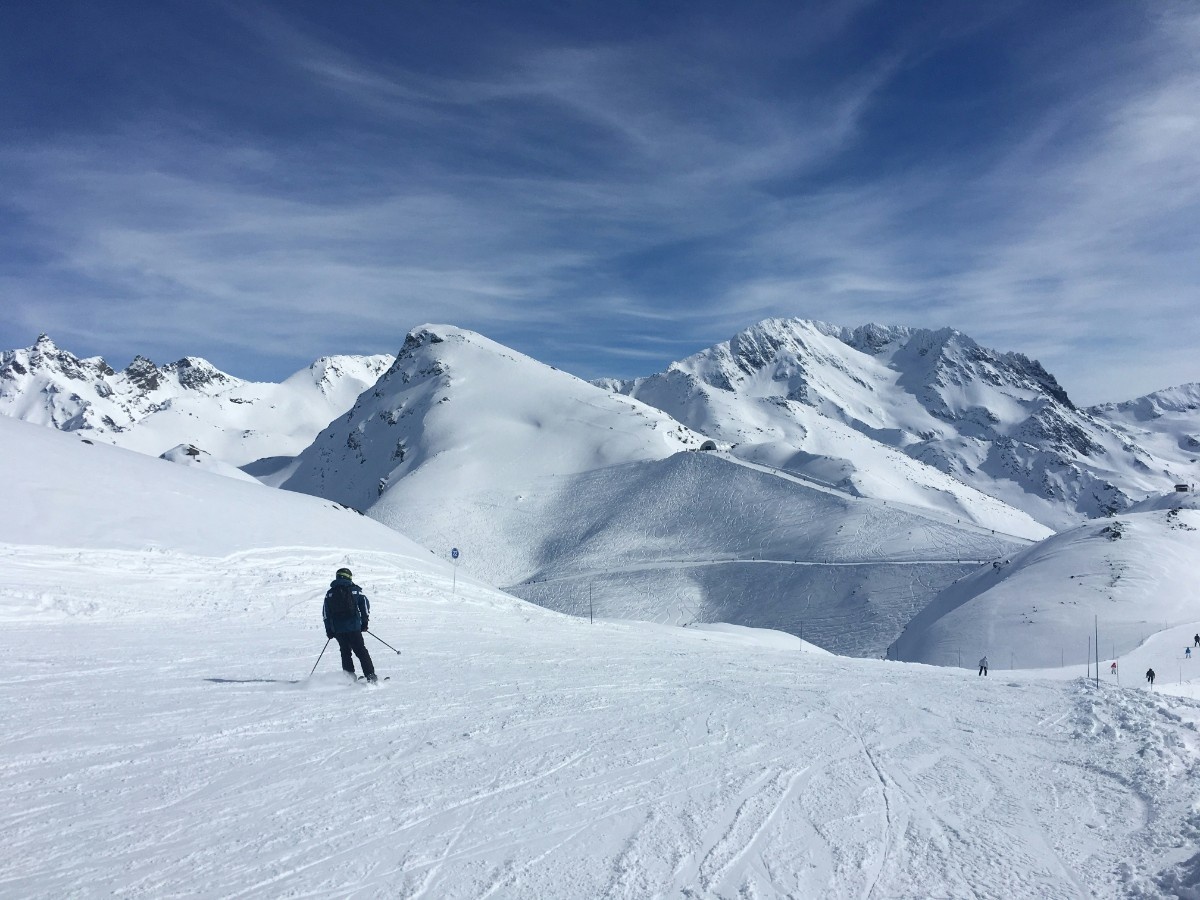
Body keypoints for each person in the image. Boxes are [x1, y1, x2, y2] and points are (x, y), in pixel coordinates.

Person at [323, 567, 376, 683]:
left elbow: (326, 613)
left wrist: (329, 630)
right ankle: (370, 675)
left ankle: (349, 678)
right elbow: (365, 605)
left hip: (338, 630)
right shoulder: (355, 590)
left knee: (345, 652)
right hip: (354, 627)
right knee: (361, 651)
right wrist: (364, 622)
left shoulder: (330, 594)